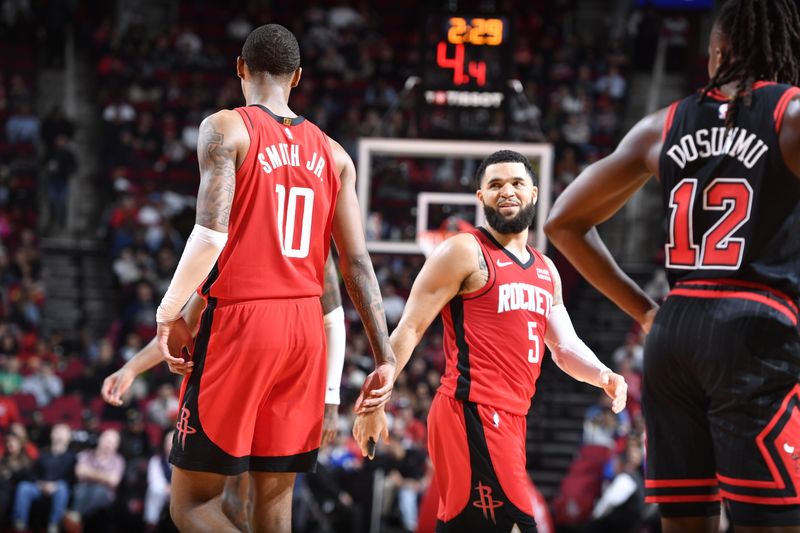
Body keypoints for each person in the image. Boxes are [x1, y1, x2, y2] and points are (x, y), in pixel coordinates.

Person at [544, 1, 800, 530]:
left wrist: (645, 311)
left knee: (685, 521)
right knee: (771, 520)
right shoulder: (790, 114)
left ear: (718, 52)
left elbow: (562, 221)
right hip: (754, 324)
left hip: (673, 332)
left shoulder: (662, 125)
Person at [152, 23, 394, 532]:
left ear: (240, 68)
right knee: (272, 510)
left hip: (244, 322)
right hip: (306, 329)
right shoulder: (335, 154)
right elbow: (356, 266)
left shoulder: (226, 128)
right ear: (298, 77)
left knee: (193, 504)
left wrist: (168, 310)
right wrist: (385, 357)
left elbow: (210, 237)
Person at [354, 150, 627, 532]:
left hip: (511, 418)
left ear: (533, 192)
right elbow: (410, 329)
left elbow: (564, 347)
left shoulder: (546, 270)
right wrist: (373, 401)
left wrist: (603, 374)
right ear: (480, 198)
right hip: (471, 411)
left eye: (516, 183)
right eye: (495, 185)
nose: (507, 191)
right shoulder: (464, 251)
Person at [101, 254, 348, 531]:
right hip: (301, 346)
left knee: (196, 504)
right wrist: (331, 399)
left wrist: (133, 365)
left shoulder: (234, 237)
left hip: (237, 356)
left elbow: (188, 318)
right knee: (266, 503)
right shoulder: (312, 241)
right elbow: (336, 314)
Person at [12, 424, 74, 533]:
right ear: (51, 435)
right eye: (57, 432)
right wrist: (40, 484)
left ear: (69, 437)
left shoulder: (72, 457)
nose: (59, 435)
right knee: (24, 487)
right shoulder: (42, 453)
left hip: (58, 488)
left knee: (62, 488)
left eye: (63, 433)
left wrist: (54, 486)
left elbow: (71, 478)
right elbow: (32, 473)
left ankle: (54, 525)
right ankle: (20, 524)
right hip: (39, 487)